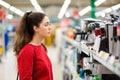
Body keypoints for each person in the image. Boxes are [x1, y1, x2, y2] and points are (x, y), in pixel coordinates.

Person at [13, 11, 53, 80]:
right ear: (36, 28)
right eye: (46, 25)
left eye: (49, 24)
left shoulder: (42, 47)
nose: (50, 28)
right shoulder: (28, 51)